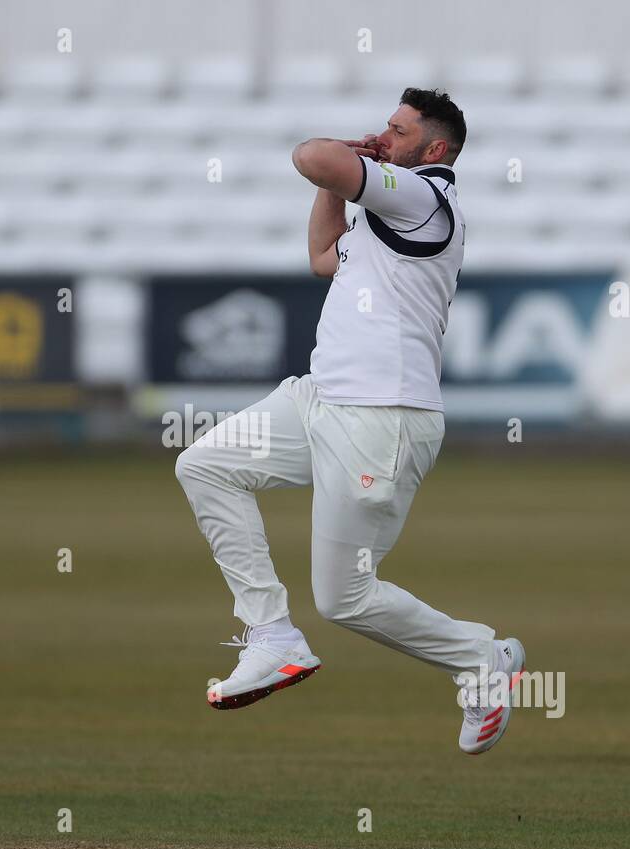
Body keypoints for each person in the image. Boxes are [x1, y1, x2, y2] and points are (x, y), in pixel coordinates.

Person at [174, 88, 525, 754]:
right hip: (321, 399)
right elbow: (321, 255)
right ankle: (273, 636)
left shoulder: (422, 198)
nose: (381, 135)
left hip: (379, 417)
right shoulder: (390, 210)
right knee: (205, 466)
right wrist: (344, 174)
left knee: (344, 598)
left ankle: (481, 657)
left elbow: (312, 157)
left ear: (435, 150)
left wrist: (344, 152)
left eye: (396, 130)